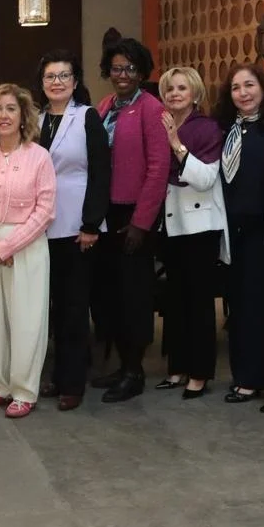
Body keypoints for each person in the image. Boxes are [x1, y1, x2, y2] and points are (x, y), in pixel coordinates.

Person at [0, 84, 56, 418]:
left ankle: (24, 389)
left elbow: (45, 210)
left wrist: (9, 245)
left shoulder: (39, 156)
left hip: (27, 247)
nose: (3, 115)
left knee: (27, 318)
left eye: (10, 109)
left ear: (23, 115)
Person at [90, 37, 170, 403]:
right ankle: (121, 366)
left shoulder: (151, 109)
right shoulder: (106, 106)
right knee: (111, 294)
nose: (123, 75)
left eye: (131, 68)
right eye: (118, 68)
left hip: (134, 214)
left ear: (142, 72)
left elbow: (158, 168)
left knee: (134, 296)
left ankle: (135, 370)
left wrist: (141, 222)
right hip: (106, 214)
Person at [35, 50, 109, 411]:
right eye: (50, 76)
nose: (57, 82)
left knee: (74, 307)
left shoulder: (87, 118)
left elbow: (100, 172)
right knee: (48, 308)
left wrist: (92, 223)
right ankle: (54, 374)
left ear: (75, 82)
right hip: (39, 227)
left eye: (64, 76)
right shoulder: (34, 120)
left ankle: (72, 382)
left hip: (78, 225)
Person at [214, 63, 264, 403]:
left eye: (249, 85)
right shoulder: (226, 129)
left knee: (258, 305)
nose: (243, 92)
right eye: (236, 87)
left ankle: (256, 377)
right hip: (232, 231)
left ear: (263, 88)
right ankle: (244, 373)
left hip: (262, 230)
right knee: (238, 307)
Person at [157, 67, 225, 399]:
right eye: (169, 89)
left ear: (195, 94)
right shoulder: (161, 124)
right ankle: (177, 367)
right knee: (175, 301)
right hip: (170, 225)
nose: (174, 94)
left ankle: (199, 373)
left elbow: (205, 179)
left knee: (198, 303)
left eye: (181, 88)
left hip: (200, 226)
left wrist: (176, 145)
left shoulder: (208, 129)